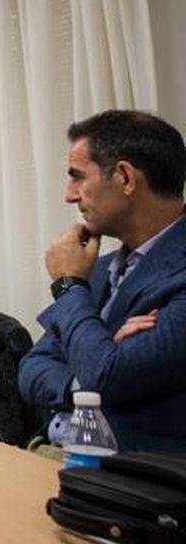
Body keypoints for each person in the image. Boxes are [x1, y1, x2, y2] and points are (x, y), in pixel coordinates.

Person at [19, 110, 186, 453]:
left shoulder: (77, 274)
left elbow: (108, 376)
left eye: (78, 177)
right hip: (51, 451)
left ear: (125, 177)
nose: (69, 195)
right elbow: (31, 368)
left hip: (131, 482)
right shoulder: (97, 267)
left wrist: (67, 285)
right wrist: (93, 365)